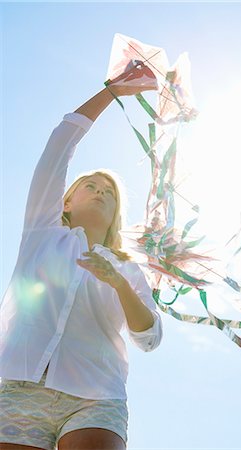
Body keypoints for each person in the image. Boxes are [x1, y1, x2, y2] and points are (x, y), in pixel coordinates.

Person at [0, 64, 163, 450]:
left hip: (95, 394)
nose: (101, 191)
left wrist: (118, 282)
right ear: (67, 203)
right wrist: (110, 92)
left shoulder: (127, 268)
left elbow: (149, 337)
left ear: (116, 215)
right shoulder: (42, 233)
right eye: (90, 185)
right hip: (17, 387)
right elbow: (60, 143)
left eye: (109, 191)